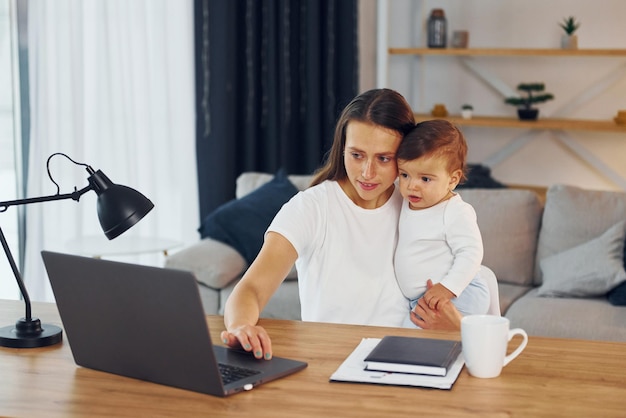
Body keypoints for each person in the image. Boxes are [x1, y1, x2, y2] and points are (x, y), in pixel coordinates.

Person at [220, 89, 469, 361]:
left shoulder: (418, 205)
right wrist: (240, 325)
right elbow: (251, 288)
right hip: (329, 362)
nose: (367, 173)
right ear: (342, 149)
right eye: (357, 155)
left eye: (384, 158)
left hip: (406, 361)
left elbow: (465, 275)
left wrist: (457, 328)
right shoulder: (311, 208)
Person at [394, 120, 490, 327]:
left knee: (415, 341)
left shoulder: (454, 211)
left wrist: (448, 287)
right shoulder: (405, 201)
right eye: (404, 175)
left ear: (453, 180)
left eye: (425, 179)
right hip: (422, 299)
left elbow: (471, 252)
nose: (412, 186)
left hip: (459, 294)